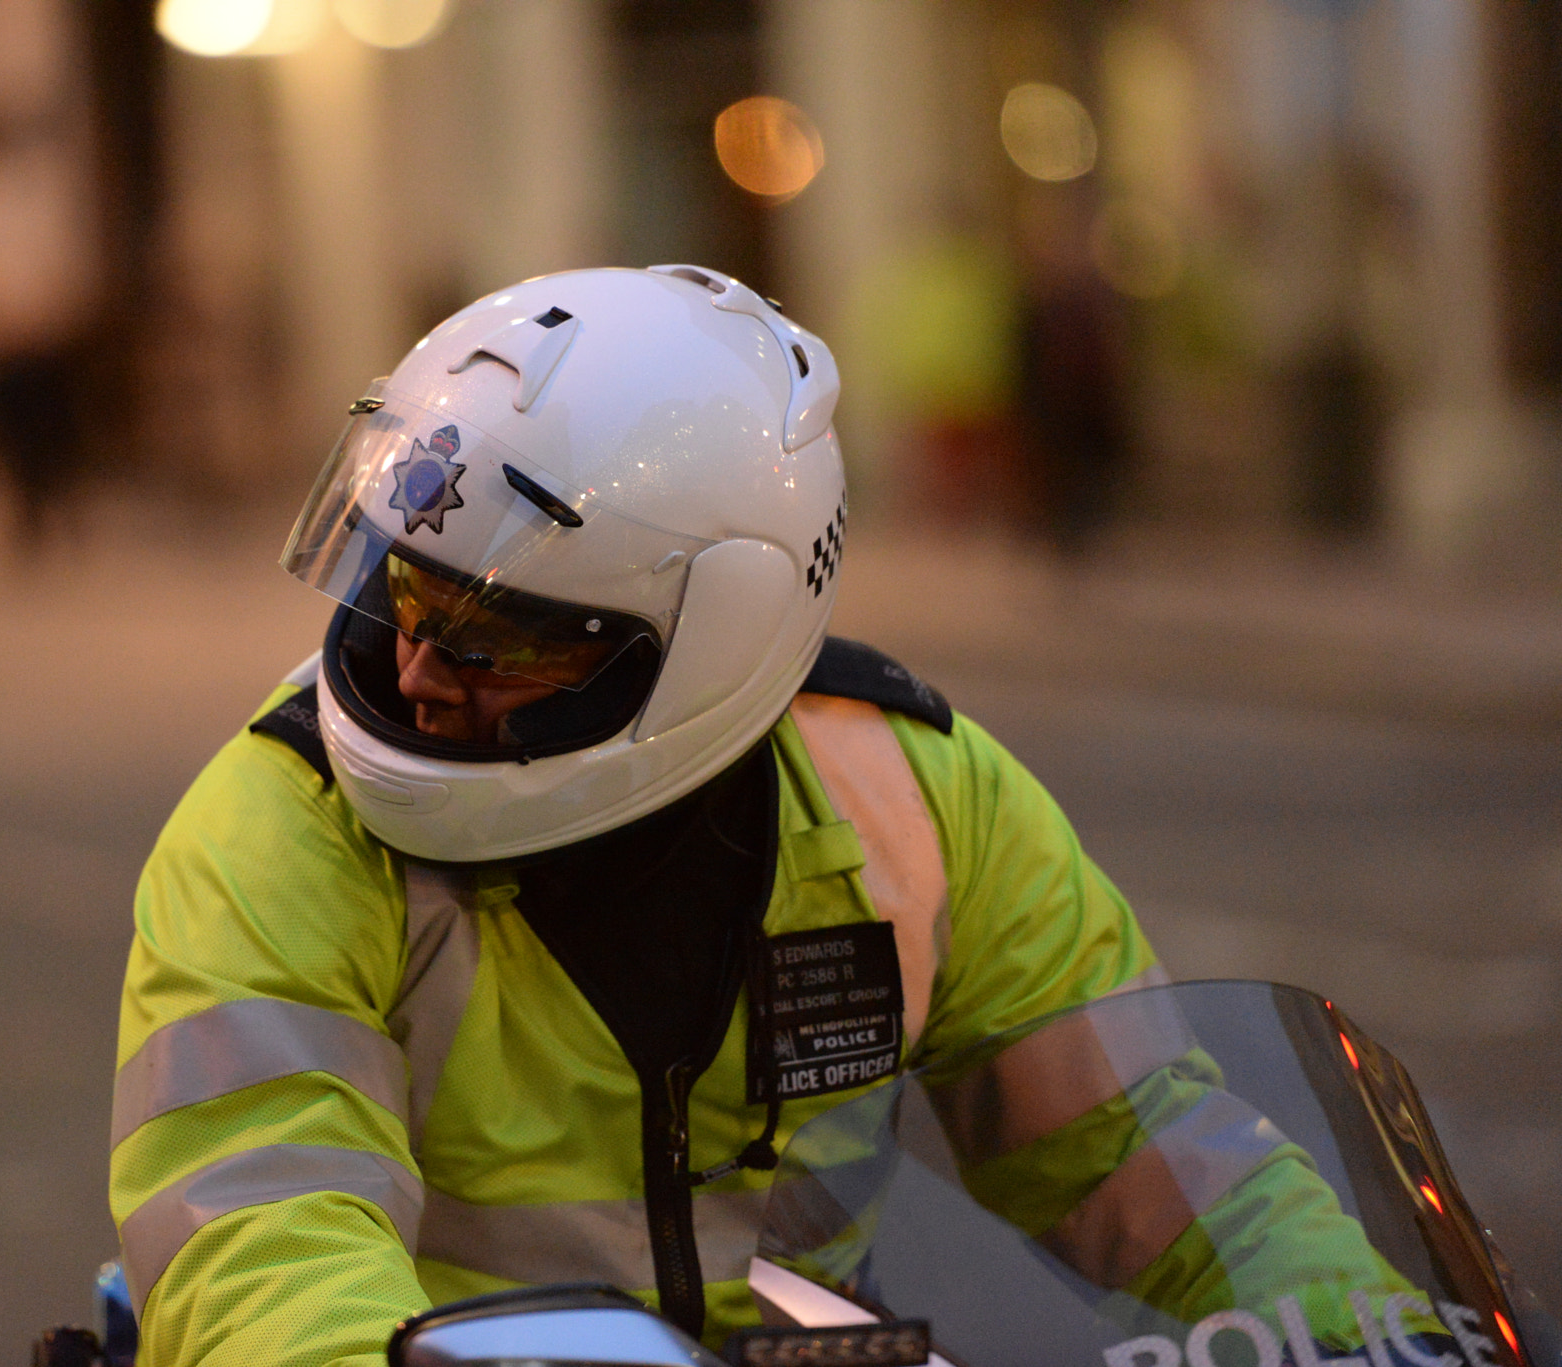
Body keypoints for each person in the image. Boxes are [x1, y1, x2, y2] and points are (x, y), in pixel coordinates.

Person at [106, 266, 1366, 1367]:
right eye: (405, 594)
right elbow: (262, 1231)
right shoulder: (279, 822)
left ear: (703, 647)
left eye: (494, 635)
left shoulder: (918, 796)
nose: (421, 671)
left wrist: (1363, 1322)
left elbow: (1151, 1144)